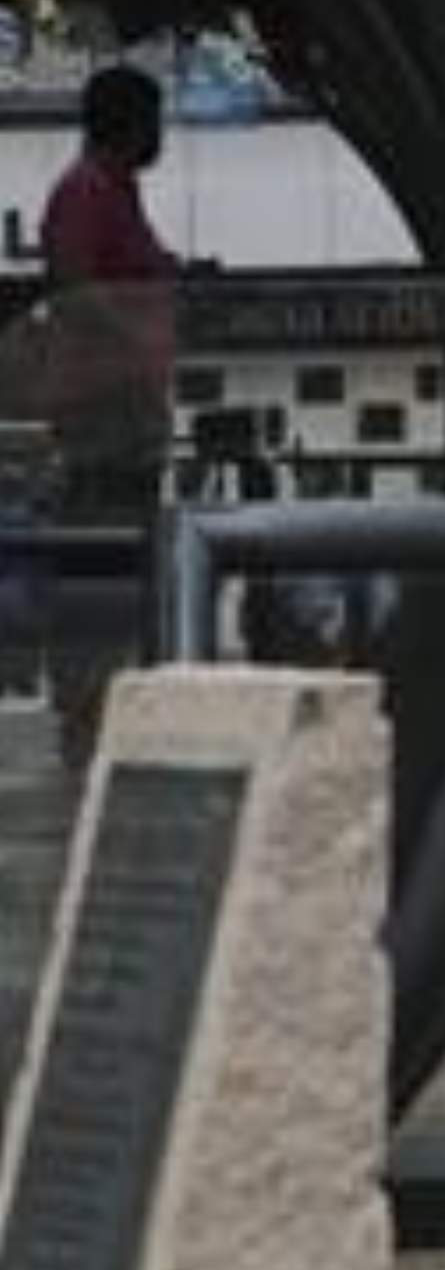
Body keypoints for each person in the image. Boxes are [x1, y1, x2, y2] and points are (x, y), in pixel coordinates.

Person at [38, 64, 177, 767]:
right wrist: (135, 331)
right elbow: (75, 283)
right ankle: (86, 709)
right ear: (128, 123)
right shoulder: (86, 191)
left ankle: (110, 700)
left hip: (129, 407)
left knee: (123, 559)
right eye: (156, 120)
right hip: (103, 410)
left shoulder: (119, 192)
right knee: (100, 556)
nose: (164, 135)